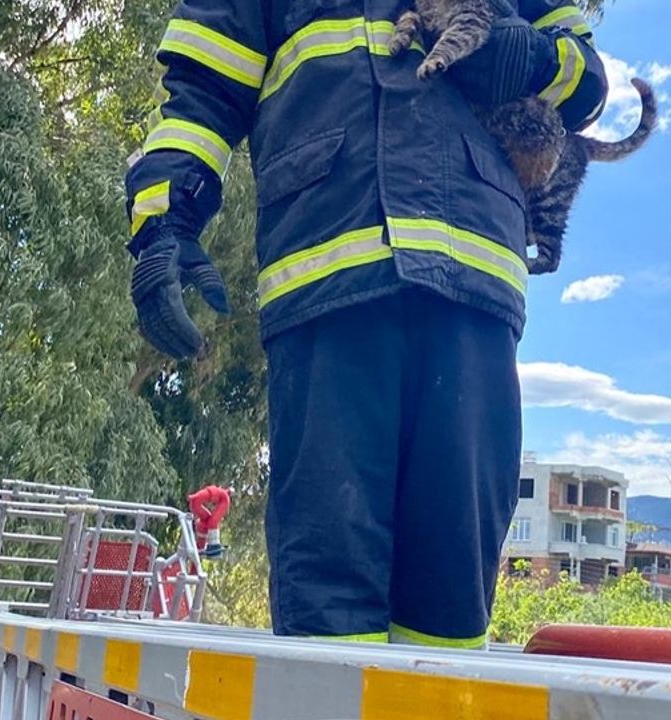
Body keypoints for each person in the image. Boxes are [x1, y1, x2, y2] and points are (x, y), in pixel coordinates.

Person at [124, 0, 607, 648]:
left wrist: (520, 55)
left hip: (472, 288)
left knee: (448, 604)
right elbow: (203, 87)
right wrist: (164, 220)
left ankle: (437, 693)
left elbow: (585, 80)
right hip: (327, 279)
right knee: (328, 599)